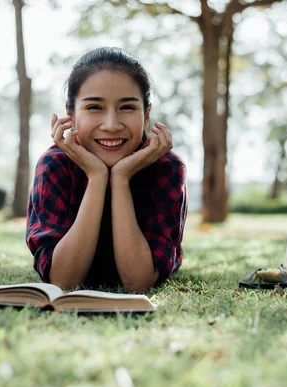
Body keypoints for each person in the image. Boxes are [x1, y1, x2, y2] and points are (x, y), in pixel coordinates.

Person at [26, 47, 188, 293]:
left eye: (127, 108)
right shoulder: (54, 165)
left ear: (146, 115)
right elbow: (63, 282)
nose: (111, 125)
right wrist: (97, 176)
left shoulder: (166, 169)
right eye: (94, 108)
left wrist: (121, 178)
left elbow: (138, 283)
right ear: (71, 114)